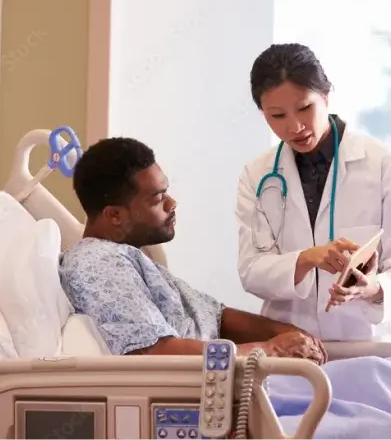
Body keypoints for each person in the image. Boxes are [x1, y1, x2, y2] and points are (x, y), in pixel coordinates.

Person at [58, 137, 327, 364]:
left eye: (167, 191)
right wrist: (272, 350)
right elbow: (157, 353)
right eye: (158, 199)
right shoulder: (100, 264)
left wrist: (292, 333)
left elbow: (217, 316)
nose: (172, 203)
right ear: (114, 215)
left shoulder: (130, 258)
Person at [236, 43, 391, 342]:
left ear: (326, 95)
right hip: (292, 349)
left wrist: (374, 289)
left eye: (304, 108)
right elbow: (251, 271)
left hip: (367, 346)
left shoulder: (384, 165)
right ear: (263, 113)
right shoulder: (257, 175)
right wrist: (307, 258)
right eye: (277, 115)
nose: (295, 126)